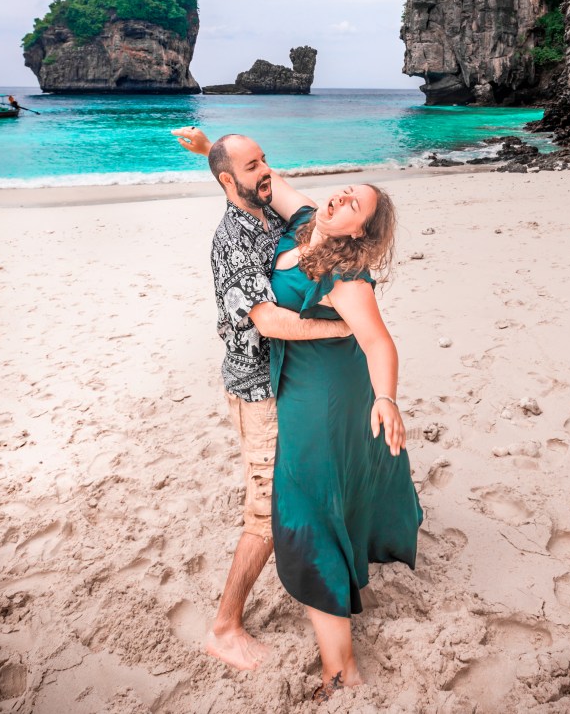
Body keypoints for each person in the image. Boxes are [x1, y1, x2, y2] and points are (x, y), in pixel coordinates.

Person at [175, 128, 422, 700]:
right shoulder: (303, 221)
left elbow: (381, 345)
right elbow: (266, 185)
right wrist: (212, 149)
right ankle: (268, 633)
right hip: (281, 384)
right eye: (344, 190)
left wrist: (385, 397)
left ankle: (338, 667)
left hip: (320, 394)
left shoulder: (346, 274)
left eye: (354, 203)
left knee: (300, 506)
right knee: (297, 501)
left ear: (359, 228)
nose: (340, 199)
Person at [172, 127, 351, 672]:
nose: (266, 170)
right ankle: (224, 627)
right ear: (230, 182)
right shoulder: (230, 240)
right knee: (264, 511)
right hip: (257, 388)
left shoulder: (265, 208)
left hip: (284, 380)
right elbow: (267, 319)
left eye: (265, 159)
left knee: (290, 489)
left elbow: (286, 193)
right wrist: (339, 330)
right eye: (253, 167)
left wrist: (214, 153)